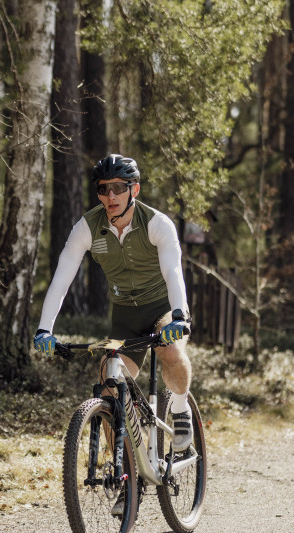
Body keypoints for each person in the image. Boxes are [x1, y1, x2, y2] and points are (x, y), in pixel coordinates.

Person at [33, 153, 194, 453]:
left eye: (119, 187)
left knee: (170, 349)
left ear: (134, 190)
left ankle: (182, 408)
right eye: (104, 189)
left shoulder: (157, 224)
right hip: (124, 318)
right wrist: (45, 330)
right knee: (109, 387)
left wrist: (179, 316)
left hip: (162, 308)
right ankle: (125, 474)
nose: (111, 196)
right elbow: (61, 280)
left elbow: (173, 272)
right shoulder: (88, 228)